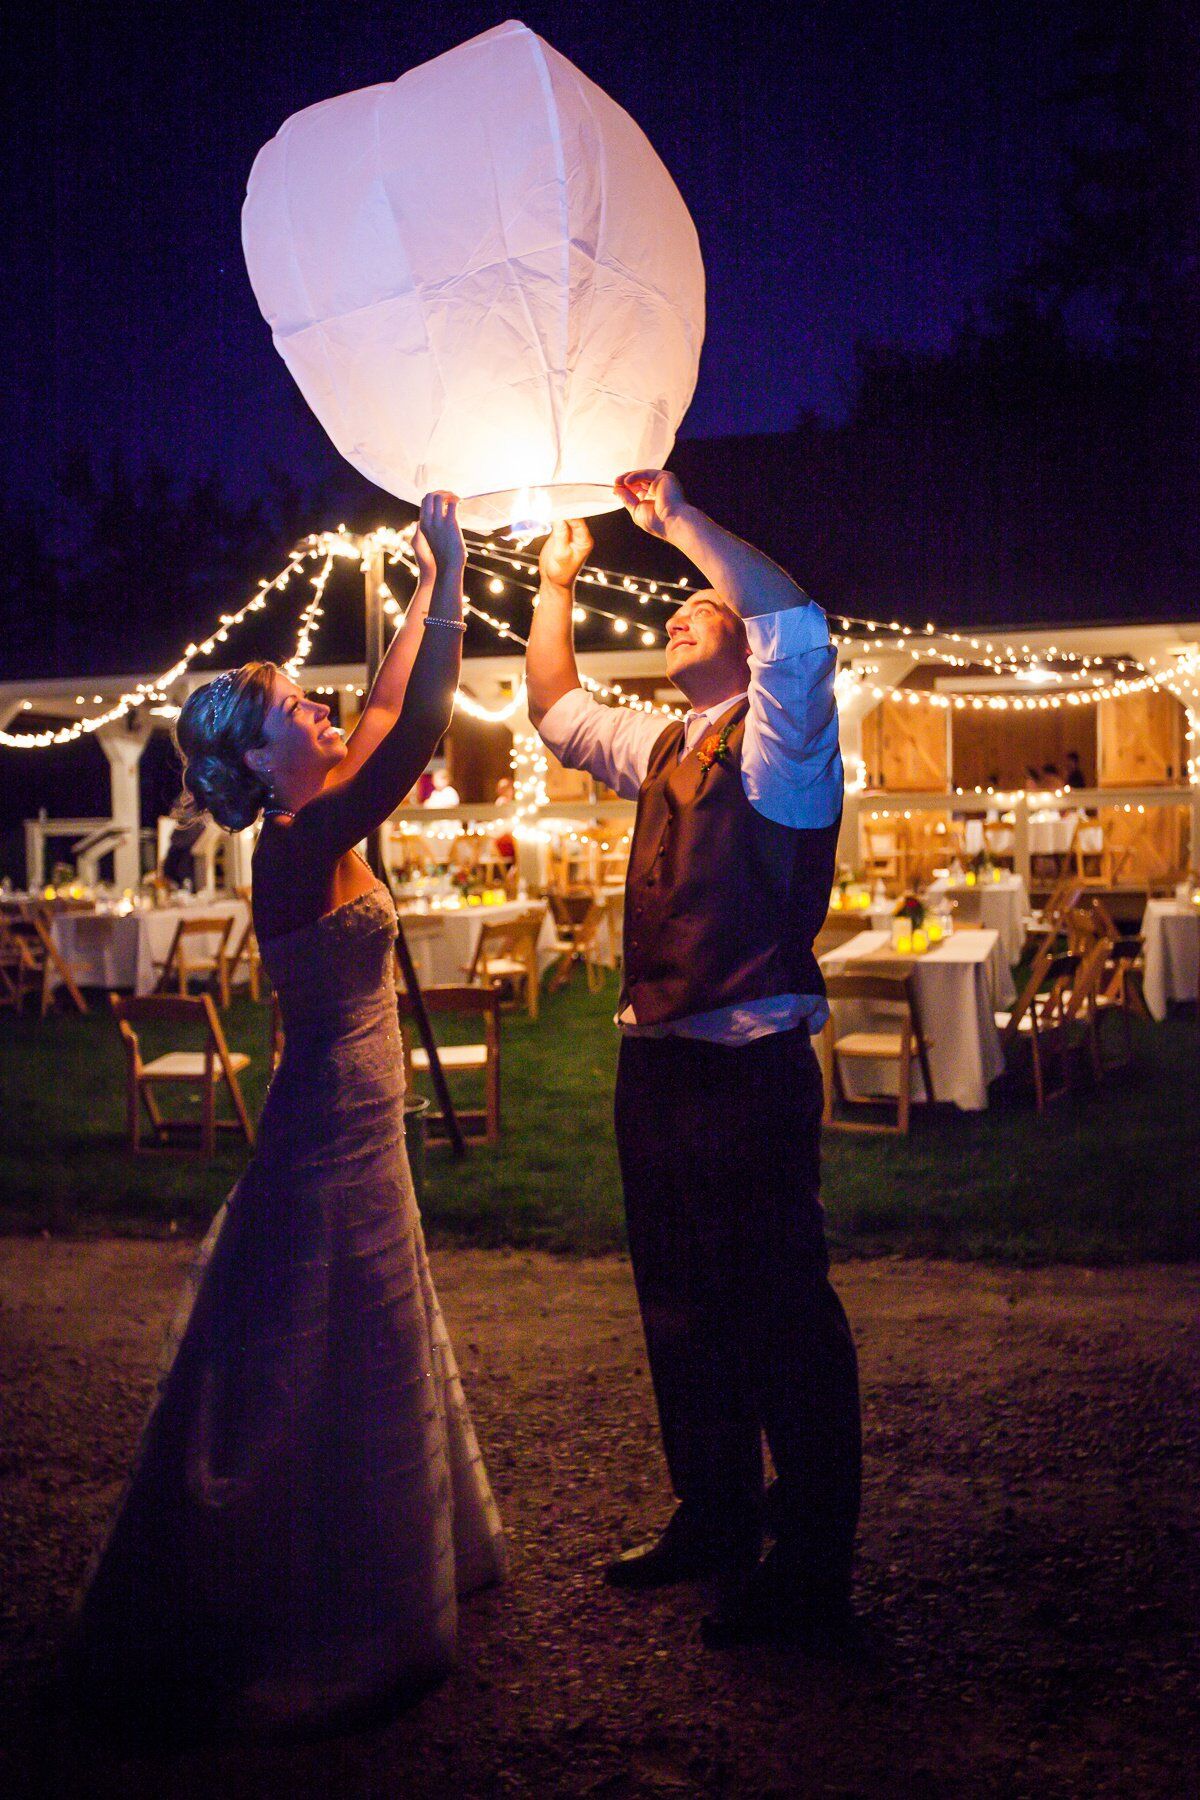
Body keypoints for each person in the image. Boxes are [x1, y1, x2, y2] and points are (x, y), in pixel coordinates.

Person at [71, 494, 506, 1734]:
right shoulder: (298, 842)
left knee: (360, 1335)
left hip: (361, 1115)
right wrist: (462, 570)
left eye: (306, 697)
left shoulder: (323, 803)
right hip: (328, 1132)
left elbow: (383, 700)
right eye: (290, 709)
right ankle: (320, 1599)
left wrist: (428, 579)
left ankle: (395, 1560)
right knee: (324, 1345)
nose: (317, 704)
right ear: (259, 764)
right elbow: (417, 718)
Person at [526, 472, 861, 1649]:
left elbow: (796, 625)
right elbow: (557, 707)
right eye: (675, 602)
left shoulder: (788, 745)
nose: (680, 610)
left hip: (747, 1065)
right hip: (656, 1066)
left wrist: (675, 523)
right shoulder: (661, 738)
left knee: (779, 1311)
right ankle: (713, 1516)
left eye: (703, 610)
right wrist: (558, 582)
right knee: (677, 1306)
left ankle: (814, 1565)